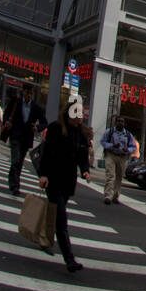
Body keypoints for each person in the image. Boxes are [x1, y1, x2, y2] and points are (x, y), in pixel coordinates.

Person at [38, 113, 91, 273]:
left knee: (56, 216)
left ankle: (45, 239)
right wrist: (44, 174)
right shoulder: (56, 128)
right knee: (61, 219)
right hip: (53, 179)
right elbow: (46, 151)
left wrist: (85, 171)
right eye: (78, 113)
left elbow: (83, 156)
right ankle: (69, 259)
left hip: (68, 182)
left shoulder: (81, 133)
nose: (81, 117)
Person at [2, 84, 46, 196]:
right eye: (27, 92)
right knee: (15, 160)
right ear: (23, 92)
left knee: (20, 162)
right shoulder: (16, 102)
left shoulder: (36, 108)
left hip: (26, 138)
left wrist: (37, 128)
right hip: (15, 135)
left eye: (31, 93)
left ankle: (14, 182)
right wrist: (6, 121)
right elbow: (6, 113)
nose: (29, 95)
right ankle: (14, 185)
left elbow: (44, 122)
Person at [99, 115, 137, 203]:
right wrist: (112, 145)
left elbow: (133, 147)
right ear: (115, 122)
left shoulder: (128, 134)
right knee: (110, 176)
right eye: (118, 121)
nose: (120, 123)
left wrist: (127, 150)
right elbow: (103, 142)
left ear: (124, 123)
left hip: (122, 157)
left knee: (119, 177)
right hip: (111, 155)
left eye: (122, 121)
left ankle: (115, 196)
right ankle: (108, 196)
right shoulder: (110, 132)